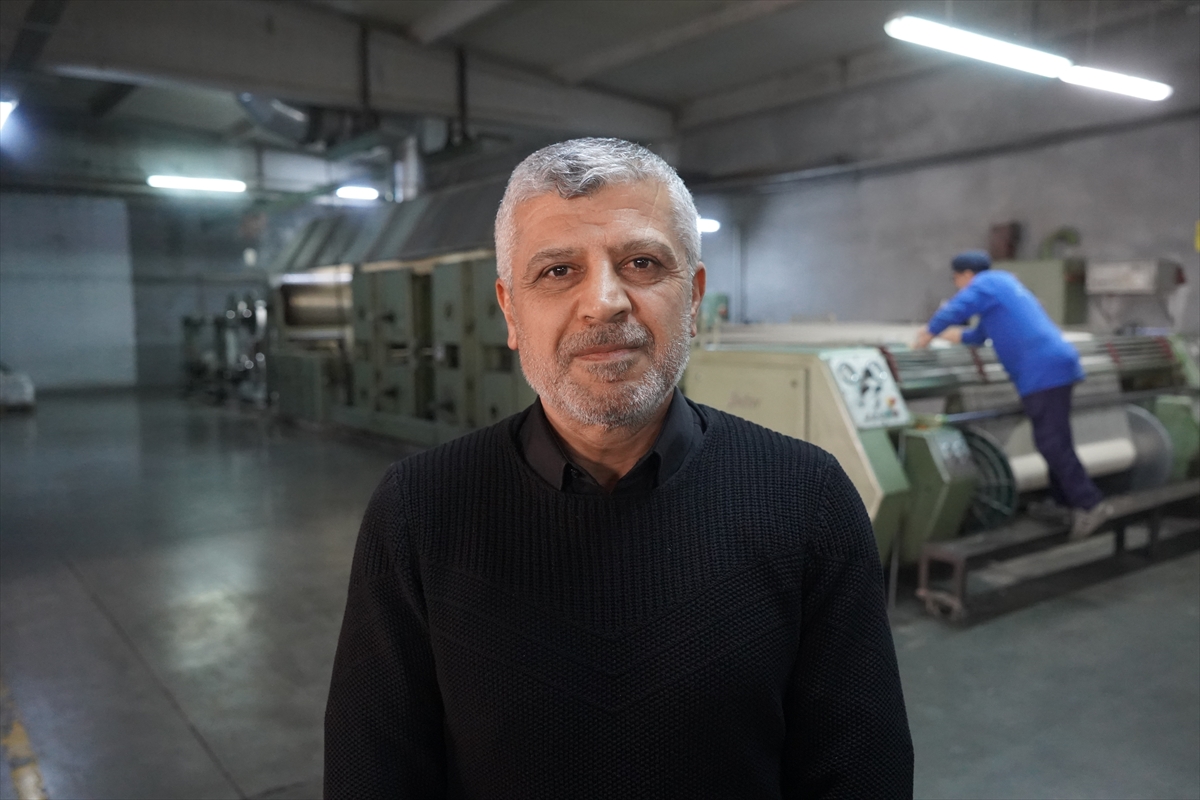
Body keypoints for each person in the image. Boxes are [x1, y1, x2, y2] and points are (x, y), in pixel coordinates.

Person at [325, 138, 913, 799]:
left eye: (641, 263)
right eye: (557, 271)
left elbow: (861, 772)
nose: (604, 301)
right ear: (510, 311)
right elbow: (373, 773)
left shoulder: (809, 500)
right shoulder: (419, 511)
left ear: (693, 298)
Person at [914, 250, 1112, 539]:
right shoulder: (1003, 289)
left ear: (966, 275)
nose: (957, 285)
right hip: (1054, 366)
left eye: (956, 279)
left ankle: (1090, 504)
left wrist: (927, 334)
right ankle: (1063, 503)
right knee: (1055, 442)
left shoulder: (988, 283)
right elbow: (976, 336)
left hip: (1042, 372)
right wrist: (944, 335)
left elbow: (956, 309)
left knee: (1052, 444)